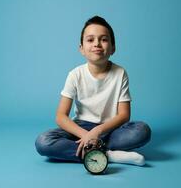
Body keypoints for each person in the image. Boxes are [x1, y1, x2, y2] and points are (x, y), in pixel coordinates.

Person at [35, 16, 151, 166]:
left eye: (103, 39)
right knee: (43, 141)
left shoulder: (120, 73)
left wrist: (97, 132)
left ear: (113, 48)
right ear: (81, 49)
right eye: (90, 40)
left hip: (109, 129)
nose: (97, 44)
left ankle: (92, 150)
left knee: (142, 131)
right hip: (81, 128)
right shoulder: (75, 75)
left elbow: (124, 115)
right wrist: (87, 135)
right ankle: (107, 155)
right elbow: (61, 116)